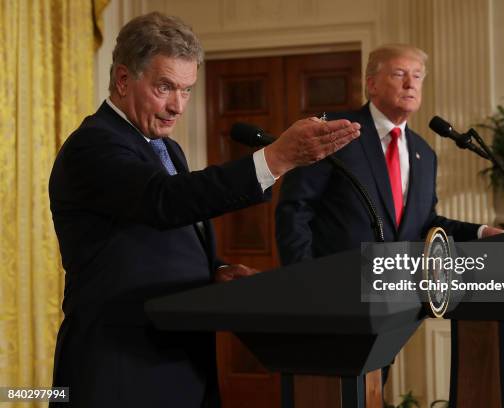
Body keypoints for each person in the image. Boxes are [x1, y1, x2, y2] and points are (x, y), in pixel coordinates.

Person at [48, 12, 360, 408]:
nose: (178, 106)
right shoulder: (93, 146)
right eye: (165, 87)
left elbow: (158, 237)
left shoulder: (165, 148)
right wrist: (276, 158)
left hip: (179, 364)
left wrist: (214, 271)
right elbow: (163, 201)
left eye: (187, 90)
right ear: (124, 80)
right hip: (118, 368)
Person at [276, 43, 503, 266]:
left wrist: (481, 232)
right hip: (338, 286)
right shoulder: (336, 132)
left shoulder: (424, 153)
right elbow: (296, 209)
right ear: (372, 84)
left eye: (417, 76)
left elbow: (425, 224)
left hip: (401, 291)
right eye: (399, 74)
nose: (410, 84)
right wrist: (302, 275)